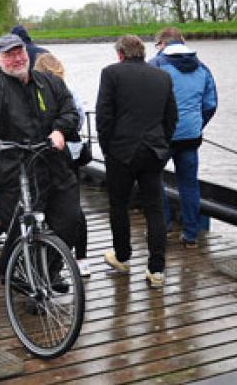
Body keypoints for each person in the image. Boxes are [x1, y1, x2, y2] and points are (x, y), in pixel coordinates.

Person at [0, 34, 83, 276]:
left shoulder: (50, 83)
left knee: (71, 221)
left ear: (27, 53)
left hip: (54, 166)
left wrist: (60, 130)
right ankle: (31, 278)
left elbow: (70, 110)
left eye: (19, 52)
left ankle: (48, 273)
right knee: (21, 232)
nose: (17, 58)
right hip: (15, 172)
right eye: (9, 55)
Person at [96, 35, 176, 289]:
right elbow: (171, 117)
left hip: (121, 152)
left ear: (120, 54)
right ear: (142, 53)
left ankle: (122, 257)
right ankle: (157, 269)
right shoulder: (162, 77)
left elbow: (104, 116)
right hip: (153, 151)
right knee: (154, 208)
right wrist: (162, 144)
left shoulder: (111, 74)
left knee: (119, 205)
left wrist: (107, 148)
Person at [150, 27, 218, 246]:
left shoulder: (156, 66)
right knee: (189, 185)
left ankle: (164, 226)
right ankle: (191, 235)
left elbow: (147, 101)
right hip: (191, 136)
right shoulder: (202, 68)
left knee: (153, 178)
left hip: (163, 136)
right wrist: (197, 125)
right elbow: (210, 104)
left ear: (162, 43)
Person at [33, 52, 91, 277]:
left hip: (47, 154)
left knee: (48, 206)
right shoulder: (69, 91)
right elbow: (79, 119)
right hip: (71, 154)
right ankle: (82, 258)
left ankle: (49, 262)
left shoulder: (37, 93)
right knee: (74, 207)